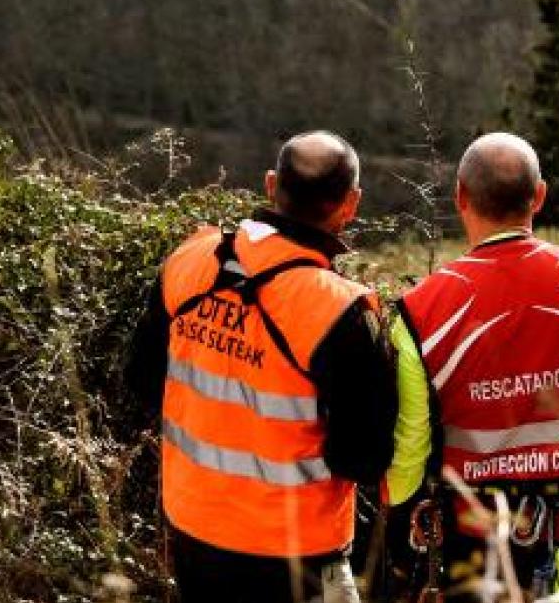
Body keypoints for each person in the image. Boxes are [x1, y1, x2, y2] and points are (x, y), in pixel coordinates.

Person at [382, 132, 559, 602]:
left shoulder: (420, 311)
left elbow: (410, 449)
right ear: (539, 195)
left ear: (460, 198)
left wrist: (397, 518)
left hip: (481, 544)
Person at [126, 131, 398, 603]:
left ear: (271, 185)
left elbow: (142, 381)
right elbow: (363, 458)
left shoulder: (190, 261)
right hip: (298, 554)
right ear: (351, 204)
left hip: (193, 527)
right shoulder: (340, 310)